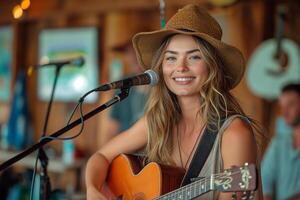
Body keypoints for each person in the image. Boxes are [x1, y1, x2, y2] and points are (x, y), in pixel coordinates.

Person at [86, 4, 262, 200]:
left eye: (194, 57)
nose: (181, 67)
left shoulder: (234, 133)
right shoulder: (157, 121)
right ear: (161, 68)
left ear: (213, 66)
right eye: (171, 58)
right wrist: (93, 190)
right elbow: (100, 157)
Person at [99, 21, 149, 146]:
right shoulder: (124, 83)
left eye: (138, 50)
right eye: (129, 51)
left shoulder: (163, 84)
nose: (134, 57)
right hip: (126, 155)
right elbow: (112, 128)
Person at [261, 83, 300, 200]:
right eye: (282, 106)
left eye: (290, 105)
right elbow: (264, 179)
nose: (284, 112)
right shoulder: (278, 143)